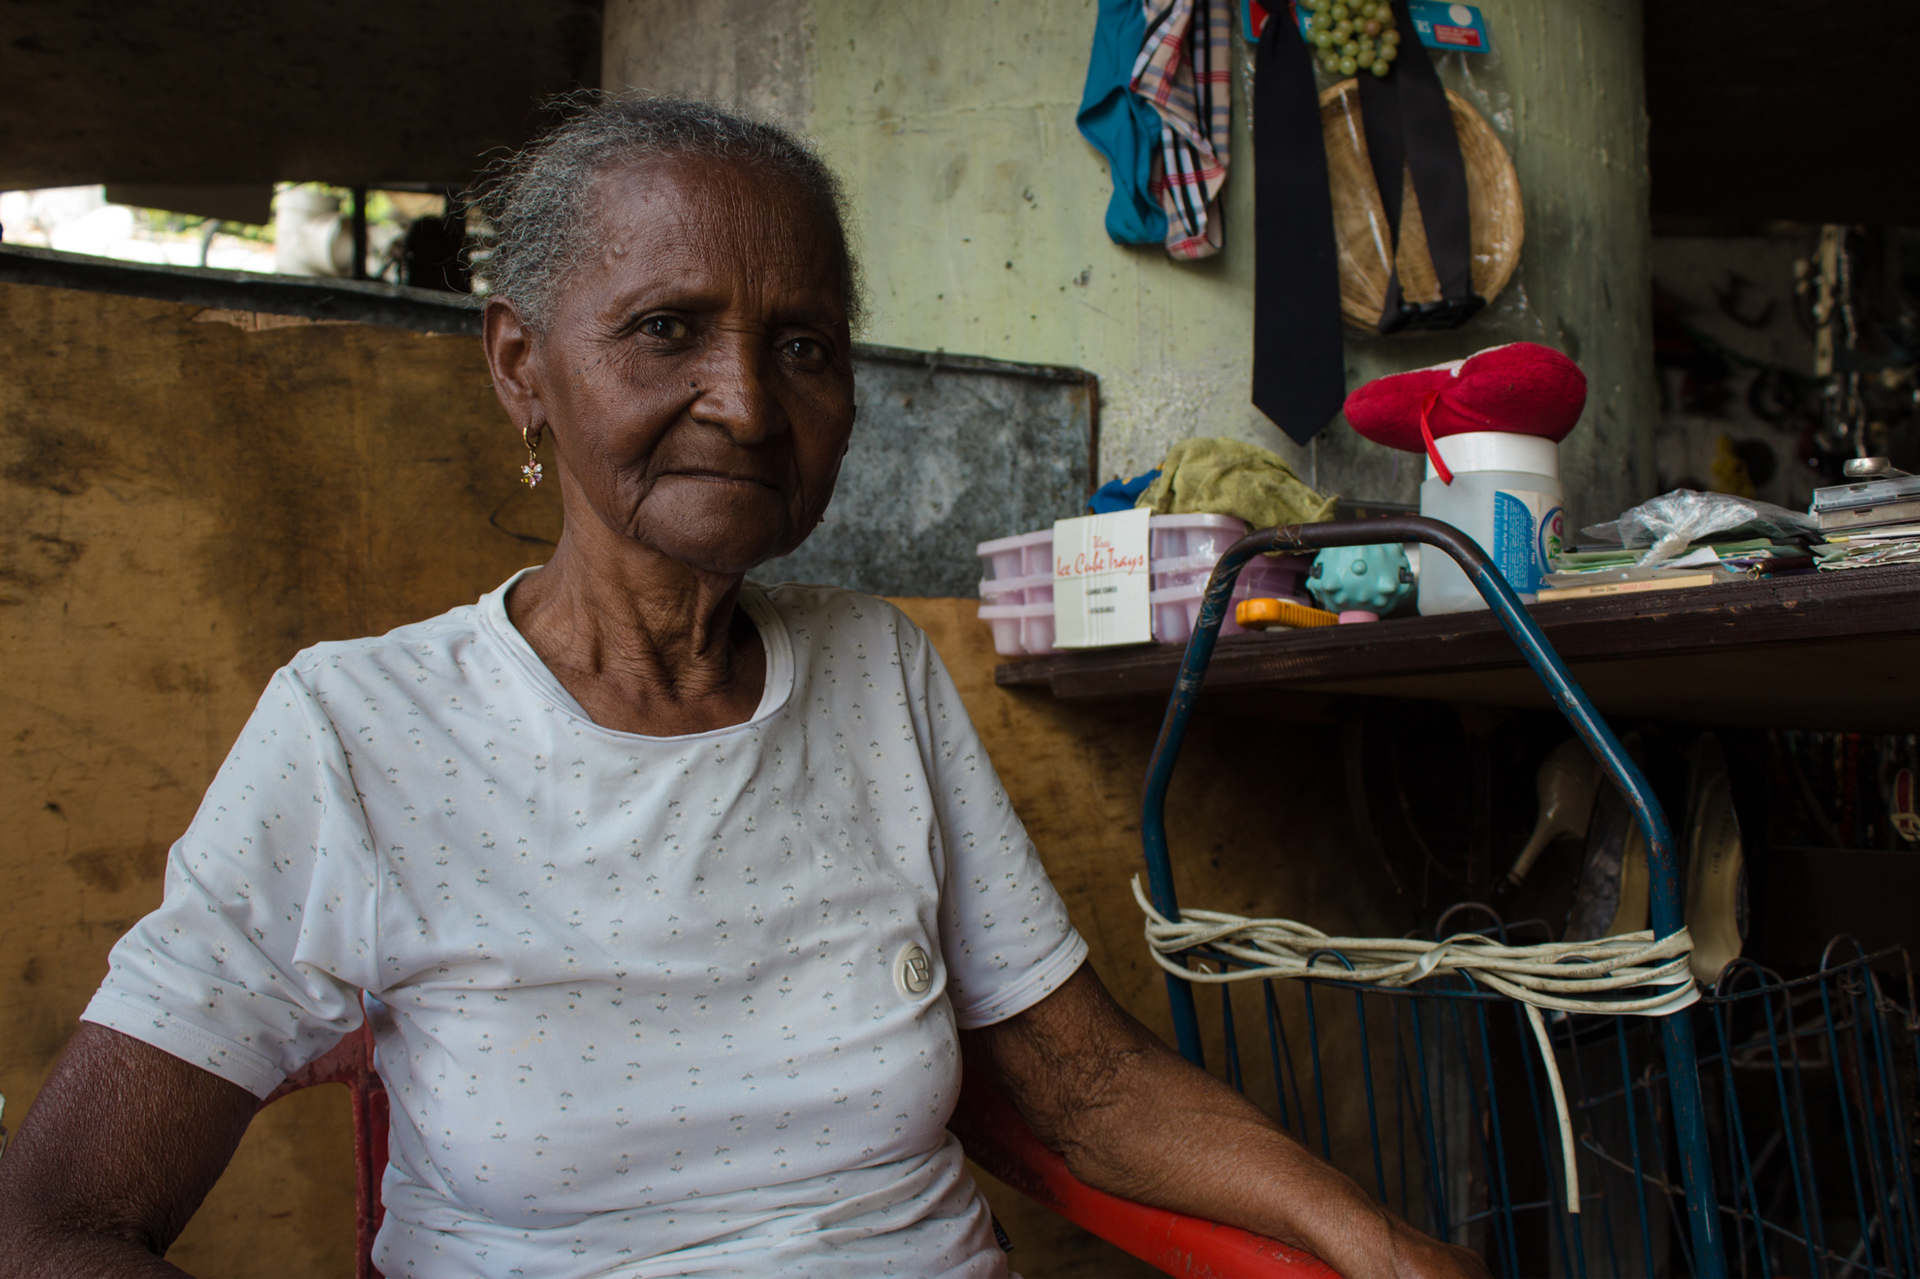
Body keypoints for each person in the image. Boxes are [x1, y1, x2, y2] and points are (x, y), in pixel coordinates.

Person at [0, 97, 1486, 1279]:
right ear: (522, 365)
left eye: (804, 347)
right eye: (667, 331)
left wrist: (1384, 1246)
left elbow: (1084, 1086)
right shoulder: (357, 732)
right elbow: (54, 1225)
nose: (750, 401)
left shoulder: (879, 673)